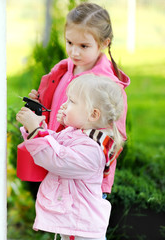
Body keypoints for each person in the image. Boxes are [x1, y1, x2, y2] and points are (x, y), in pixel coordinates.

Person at [27, 2, 130, 194]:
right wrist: (41, 103)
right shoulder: (64, 70)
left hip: (85, 180)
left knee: (80, 222)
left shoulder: (106, 86)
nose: (74, 51)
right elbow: (59, 108)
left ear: (104, 43)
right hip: (58, 167)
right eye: (69, 43)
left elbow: (113, 137)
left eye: (84, 46)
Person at [16, 74, 124, 240]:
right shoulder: (75, 133)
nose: (64, 105)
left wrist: (35, 131)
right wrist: (37, 127)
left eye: (71, 101)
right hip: (74, 224)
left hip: (83, 229)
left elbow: (56, 159)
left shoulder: (93, 150)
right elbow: (54, 143)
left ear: (93, 115)